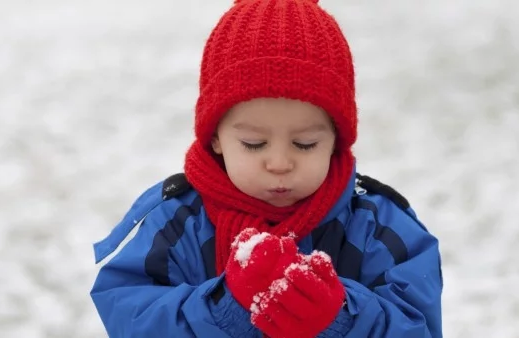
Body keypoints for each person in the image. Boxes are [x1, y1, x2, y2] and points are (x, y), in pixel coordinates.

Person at [90, 0, 443, 337]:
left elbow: (419, 326)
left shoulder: (378, 227)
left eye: (305, 144)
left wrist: (339, 320)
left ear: (336, 138)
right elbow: (128, 313)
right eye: (254, 144)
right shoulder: (179, 223)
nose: (279, 164)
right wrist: (223, 309)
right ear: (215, 138)